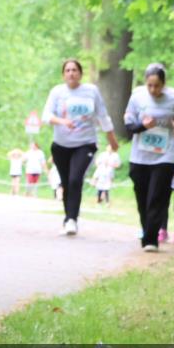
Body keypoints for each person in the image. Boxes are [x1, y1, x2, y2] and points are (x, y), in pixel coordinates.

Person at [42, 59, 119, 235]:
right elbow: (46, 115)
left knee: (76, 179)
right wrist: (62, 121)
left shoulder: (91, 91)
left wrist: (111, 139)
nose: (71, 73)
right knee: (66, 182)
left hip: (85, 143)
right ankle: (68, 217)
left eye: (75, 70)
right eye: (68, 70)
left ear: (80, 73)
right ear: (63, 74)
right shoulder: (57, 92)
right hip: (61, 145)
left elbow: (103, 115)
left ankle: (71, 220)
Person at [124, 63, 174, 252]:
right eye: (150, 85)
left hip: (164, 156)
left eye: (157, 86)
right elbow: (129, 127)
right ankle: (147, 230)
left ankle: (151, 239)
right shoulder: (137, 96)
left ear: (164, 84)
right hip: (140, 157)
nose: (153, 90)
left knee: (156, 197)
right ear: (145, 83)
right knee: (142, 197)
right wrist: (144, 126)